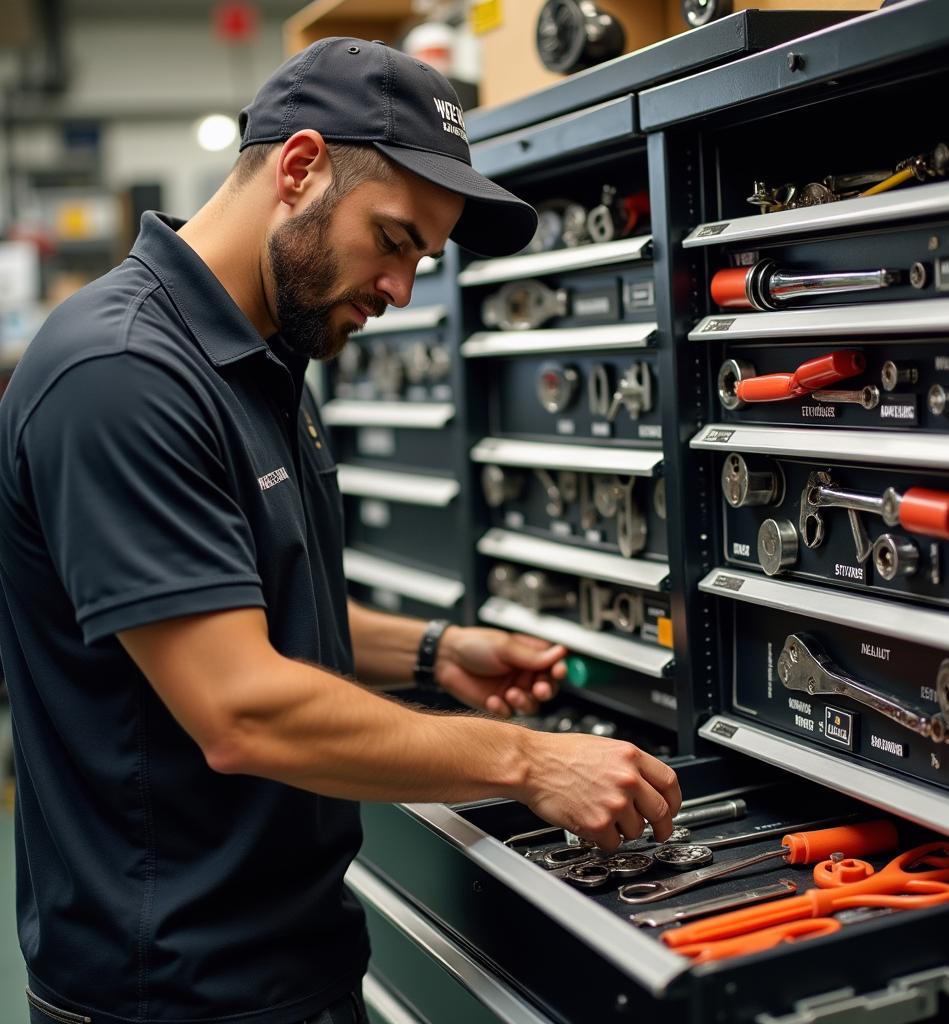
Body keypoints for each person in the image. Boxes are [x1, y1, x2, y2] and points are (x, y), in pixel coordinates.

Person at [0, 37, 681, 1024]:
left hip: (292, 959)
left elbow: (248, 603)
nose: (403, 290)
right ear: (300, 166)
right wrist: (530, 759)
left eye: (424, 259)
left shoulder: (263, 354)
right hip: (173, 997)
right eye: (396, 240)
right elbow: (242, 710)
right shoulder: (122, 375)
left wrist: (437, 650)